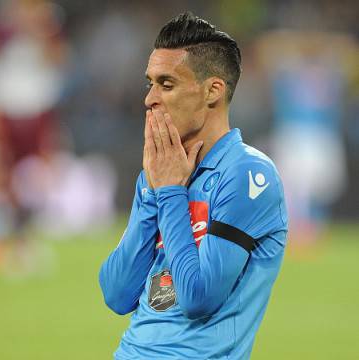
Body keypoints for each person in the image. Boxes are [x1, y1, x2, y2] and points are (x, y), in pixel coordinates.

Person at [99, 12, 288, 359]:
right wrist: (155, 190)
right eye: (150, 84)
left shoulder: (248, 175)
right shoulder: (160, 168)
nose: (150, 99)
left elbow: (198, 297)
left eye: (166, 84)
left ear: (212, 90)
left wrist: (170, 193)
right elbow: (117, 292)